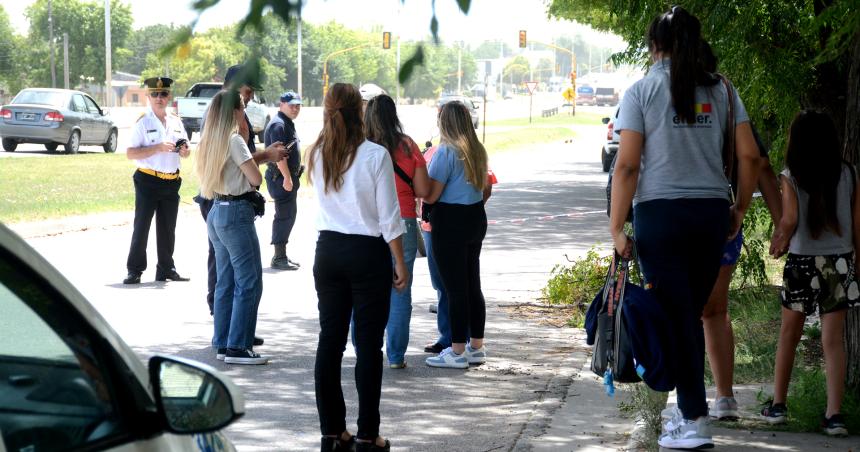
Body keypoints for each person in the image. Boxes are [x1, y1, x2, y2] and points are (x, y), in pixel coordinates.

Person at [609, 6, 761, 449]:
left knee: (679, 315)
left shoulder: (641, 91)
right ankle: (687, 410)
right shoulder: (723, 91)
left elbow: (627, 166)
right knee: (684, 314)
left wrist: (617, 228)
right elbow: (750, 156)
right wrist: (739, 211)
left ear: (656, 45)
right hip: (710, 216)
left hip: (660, 216)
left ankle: (694, 419)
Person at [310, 83, 407, 452]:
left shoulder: (317, 153)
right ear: (359, 111)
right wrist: (399, 260)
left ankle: (332, 432)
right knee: (368, 346)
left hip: (328, 251)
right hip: (367, 253)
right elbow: (388, 217)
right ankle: (368, 433)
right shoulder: (374, 155)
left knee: (329, 342)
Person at [696, 41, 783, 421]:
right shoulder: (727, 100)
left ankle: (689, 405)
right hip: (723, 219)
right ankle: (725, 398)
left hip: (673, 219)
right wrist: (780, 223)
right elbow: (758, 162)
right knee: (714, 311)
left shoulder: (658, 94)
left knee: (684, 308)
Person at [764, 110, 858, 436]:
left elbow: (789, 219)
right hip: (840, 263)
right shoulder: (850, 174)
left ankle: (777, 405)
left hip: (802, 262)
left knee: (789, 334)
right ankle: (834, 415)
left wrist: (779, 241)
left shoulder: (791, 175)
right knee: (834, 341)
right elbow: (858, 227)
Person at [194, 64, 281, 354]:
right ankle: (238, 345)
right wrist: (262, 156)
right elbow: (255, 179)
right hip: (235, 211)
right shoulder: (234, 139)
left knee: (225, 282)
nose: (246, 110)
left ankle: (223, 339)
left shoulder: (210, 139)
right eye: (244, 105)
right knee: (249, 281)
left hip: (217, 208)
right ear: (235, 111)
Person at [364, 94, 430, 369]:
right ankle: (395, 356)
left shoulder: (360, 147)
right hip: (402, 220)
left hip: (367, 223)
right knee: (400, 290)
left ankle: (367, 351)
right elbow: (424, 190)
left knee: (365, 292)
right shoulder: (408, 146)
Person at [423, 101, 490, 369]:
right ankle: (476, 346)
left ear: (445, 122)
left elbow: (432, 194)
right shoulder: (477, 150)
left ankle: (457, 350)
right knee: (473, 283)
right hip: (475, 217)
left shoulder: (445, 152)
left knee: (454, 289)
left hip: (450, 221)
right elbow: (485, 189)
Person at [123, 76, 191, 285]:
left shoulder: (176, 120)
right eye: (155, 94)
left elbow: (186, 152)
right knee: (142, 226)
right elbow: (130, 153)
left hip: (171, 180)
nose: (159, 98)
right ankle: (135, 270)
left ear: (169, 96)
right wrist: (157, 148)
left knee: (168, 227)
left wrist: (185, 150)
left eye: (163, 94)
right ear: (148, 96)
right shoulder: (144, 122)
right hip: (148, 180)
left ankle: (166, 268)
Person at [264, 91, 305, 271]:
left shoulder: (286, 123)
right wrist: (287, 178)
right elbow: (279, 156)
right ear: (281, 104)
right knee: (284, 216)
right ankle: (279, 257)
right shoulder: (278, 125)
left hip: (287, 176)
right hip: (280, 177)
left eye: (298, 105)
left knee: (288, 215)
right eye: (291, 105)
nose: (295, 108)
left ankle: (282, 255)